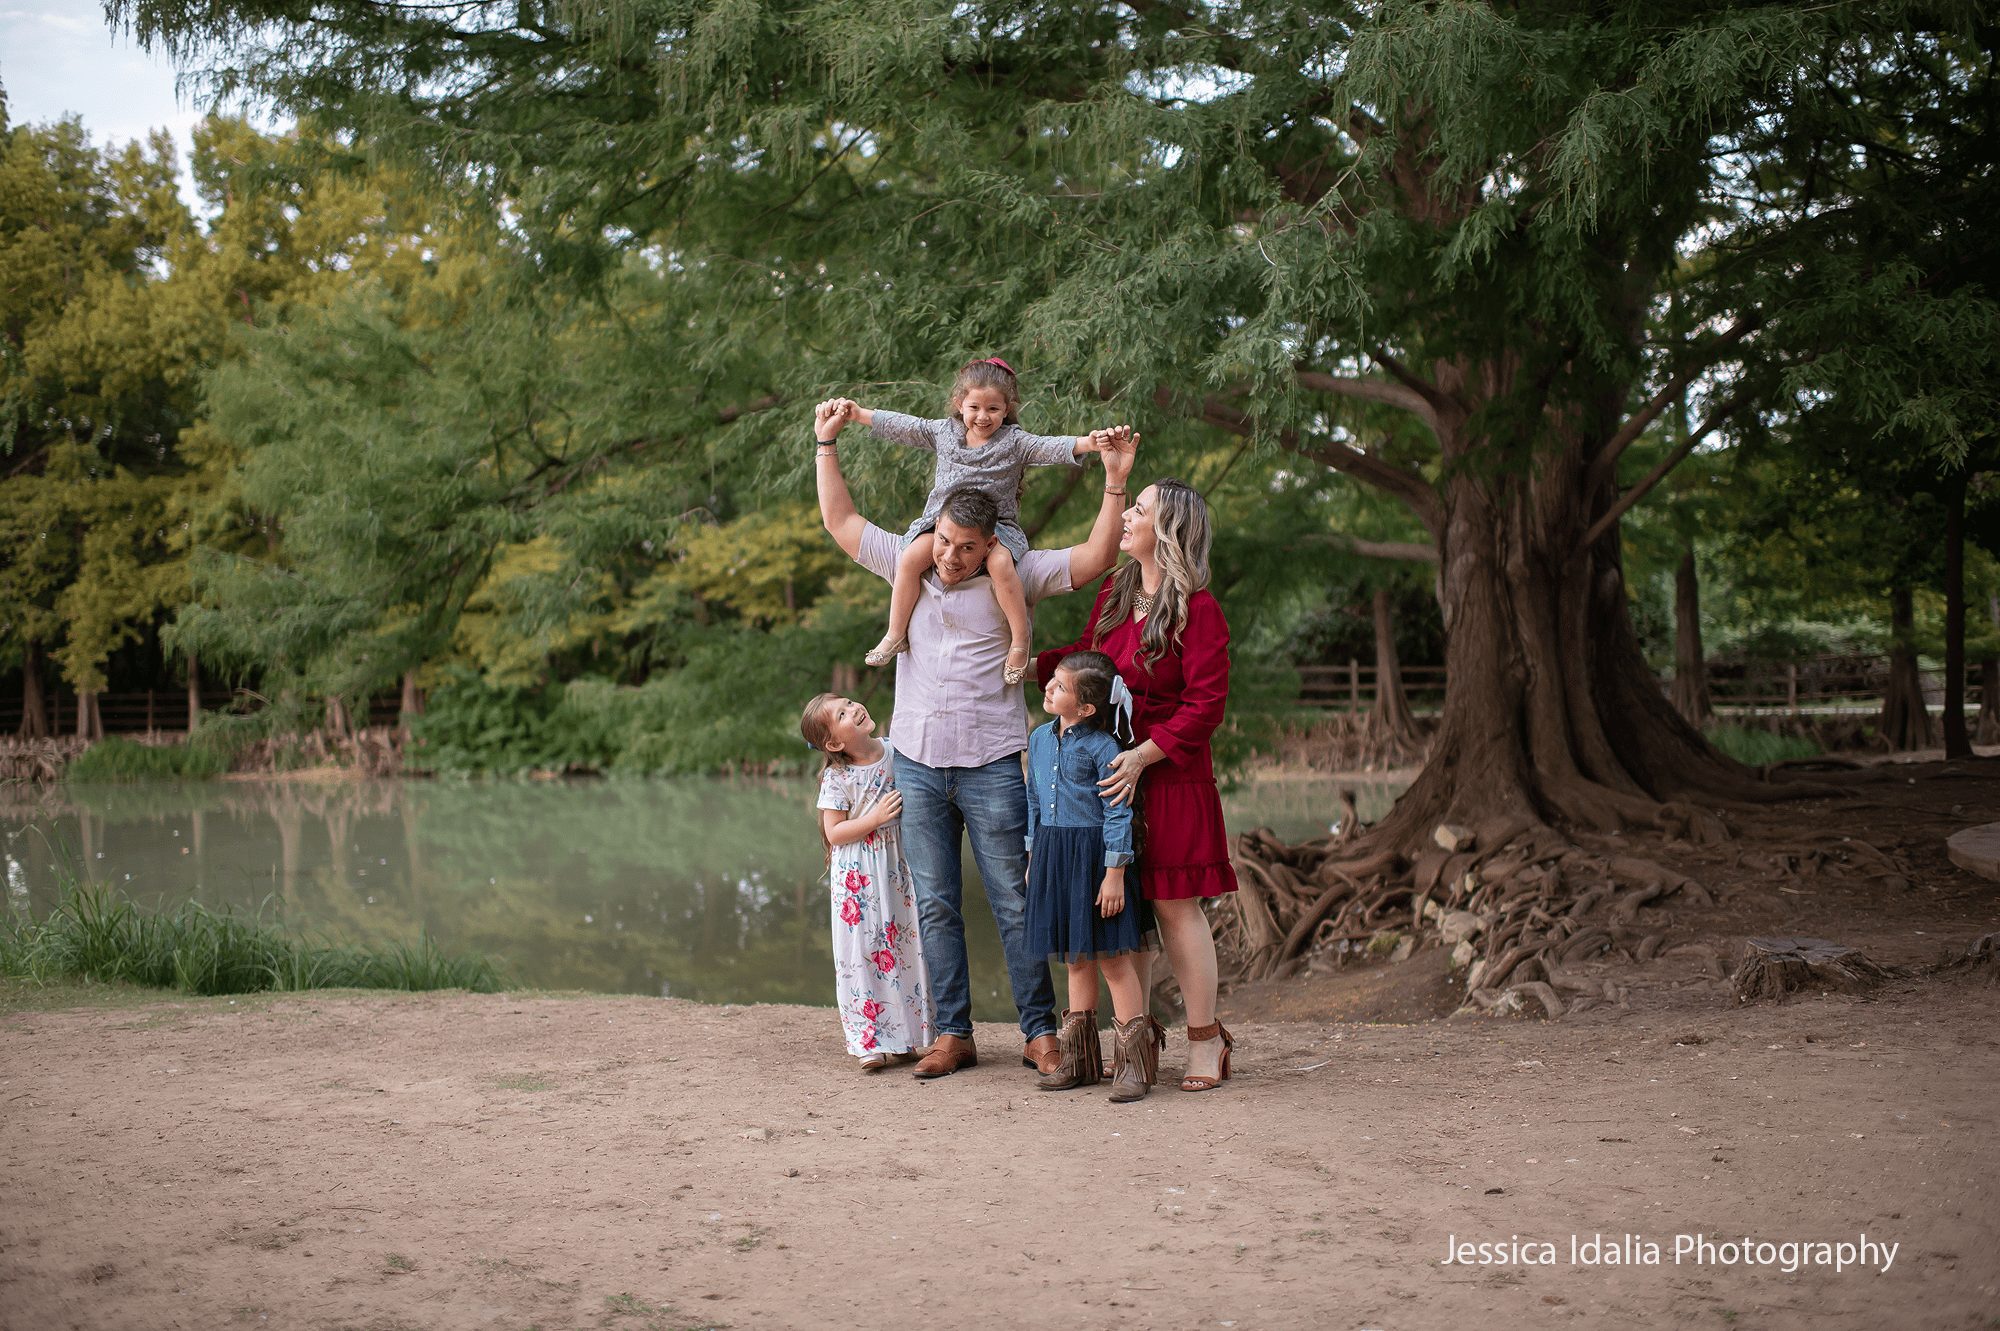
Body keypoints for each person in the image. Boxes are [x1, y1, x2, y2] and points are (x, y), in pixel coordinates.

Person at [813, 397, 1136, 1079]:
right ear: (933, 532)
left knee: (1015, 900)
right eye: (946, 544)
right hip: (919, 765)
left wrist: (1113, 479)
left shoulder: (1012, 573)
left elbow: (1096, 555)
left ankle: (1040, 1032)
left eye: (968, 549)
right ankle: (952, 1033)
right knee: (934, 903)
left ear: (992, 544)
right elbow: (841, 522)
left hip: (992, 762)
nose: (953, 559)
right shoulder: (910, 558)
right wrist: (828, 445)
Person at [1034, 478, 1239, 1092]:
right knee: (1129, 915)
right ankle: (1136, 1047)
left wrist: (1145, 756)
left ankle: (1206, 1041)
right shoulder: (1117, 593)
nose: (1126, 519)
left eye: (1139, 511)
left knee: (1176, 908)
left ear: (1168, 530)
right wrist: (1011, 656)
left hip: (1169, 773)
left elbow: (1207, 705)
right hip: (1111, 775)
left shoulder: (1198, 609)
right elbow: (1084, 658)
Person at [832, 357, 1100, 684]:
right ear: (960, 404)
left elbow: (1047, 447)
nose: (982, 417)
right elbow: (908, 426)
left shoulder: (1014, 442)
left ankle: (1019, 640)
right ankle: (895, 632)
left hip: (995, 528)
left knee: (1001, 564)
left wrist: (1087, 443)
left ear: (1007, 408)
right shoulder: (946, 432)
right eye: (974, 407)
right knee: (911, 556)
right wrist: (859, 414)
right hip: (943, 525)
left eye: (993, 409)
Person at [1023, 650, 1163, 1102]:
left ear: (1085, 708)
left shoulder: (1105, 748)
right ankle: (1079, 1061)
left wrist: (1114, 875)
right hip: (1052, 855)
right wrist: (1032, 858)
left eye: (1060, 686)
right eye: (1053, 682)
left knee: (1112, 960)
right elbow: (1032, 800)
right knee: (1074, 958)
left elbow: (1117, 814)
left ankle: (1133, 1068)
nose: (1049, 688)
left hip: (1094, 860)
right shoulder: (1040, 738)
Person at [801, 692, 933, 1071]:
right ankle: (867, 1041)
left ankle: (905, 1035)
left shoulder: (897, 751)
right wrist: (874, 819)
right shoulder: (837, 776)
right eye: (842, 713)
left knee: (906, 945)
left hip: (898, 863)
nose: (854, 708)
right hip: (858, 872)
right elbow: (835, 833)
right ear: (834, 742)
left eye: (849, 702)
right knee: (864, 950)